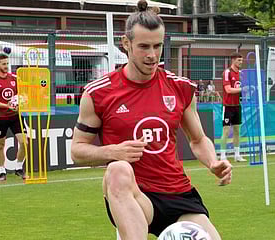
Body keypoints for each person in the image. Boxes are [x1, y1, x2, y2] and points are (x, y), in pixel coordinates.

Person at [70, 1, 232, 239]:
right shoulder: (98, 93)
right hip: (137, 195)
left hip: (179, 195)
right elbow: (77, 151)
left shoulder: (180, 87)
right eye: (144, 46)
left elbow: (197, 140)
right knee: (117, 169)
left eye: (157, 46)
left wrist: (213, 163)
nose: (152, 55)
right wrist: (114, 151)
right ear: (126, 44)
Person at [0, 54, 27, 181]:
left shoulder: (14, 78)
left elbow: (21, 95)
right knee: (0, 145)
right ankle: (2, 172)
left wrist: (21, 102)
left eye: (7, 63)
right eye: (3, 64)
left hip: (16, 116)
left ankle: (18, 168)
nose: (6, 66)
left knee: (24, 143)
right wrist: (7, 105)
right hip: (0, 117)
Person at [220, 52, 246, 162]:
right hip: (228, 106)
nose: (241, 62)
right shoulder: (227, 72)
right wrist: (243, 89)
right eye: (239, 60)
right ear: (233, 60)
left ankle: (237, 155)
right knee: (226, 130)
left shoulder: (241, 74)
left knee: (237, 131)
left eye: (242, 60)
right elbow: (228, 90)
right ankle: (222, 156)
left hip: (237, 105)